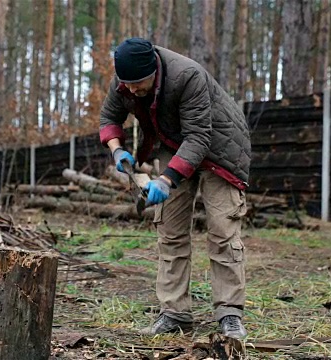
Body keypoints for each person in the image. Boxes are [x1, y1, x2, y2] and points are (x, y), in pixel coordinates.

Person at [99, 37, 251, 339]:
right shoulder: (125, 79)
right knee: (170, 229)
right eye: (127, 84)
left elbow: (198, 139)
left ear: (153, 68)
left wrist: (166, 180)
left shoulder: (187, 75)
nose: (131, 90)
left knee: (222, 230)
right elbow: (109, 117)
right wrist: (118, 151)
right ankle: (175, 313)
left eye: (138, 83)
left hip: (220, 147)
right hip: (174, 142)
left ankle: (230, 314)